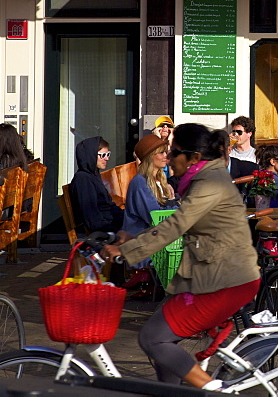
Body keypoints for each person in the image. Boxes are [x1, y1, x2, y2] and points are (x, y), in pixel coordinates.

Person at [100, 123, 260, 390]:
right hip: (204, 277)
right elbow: (174, 224)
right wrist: (133, 239)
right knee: (160, 339)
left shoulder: (209, 184)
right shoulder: (203, 179)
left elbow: (176, 226)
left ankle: (214, 391)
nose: (169, 159)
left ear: (194, 158)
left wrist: (126, 251)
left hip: (225, 282)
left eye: (174, 153)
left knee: (153, 339)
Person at [123, 135, 175, 237]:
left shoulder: (161, 179)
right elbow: (154, 216)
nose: (166, 155)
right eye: (161, 152)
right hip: (138, 239)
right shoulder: (140, 181)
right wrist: (175, 204)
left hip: (154, 239)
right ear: (150, 156)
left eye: (165, 152)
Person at [70, 136, 124, 233]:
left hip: (114, 223)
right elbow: (92, 217)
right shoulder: (83, 179)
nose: (107, 158)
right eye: (103, 155)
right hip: (108, 230)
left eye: (108, 154)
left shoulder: (93, 176)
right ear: (91, 155)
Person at [227, 116, 257, 181]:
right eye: (234, 132)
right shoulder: (229, 154)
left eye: (239, 132)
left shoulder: (257, 154)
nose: (236, 135)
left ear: (249, 133)